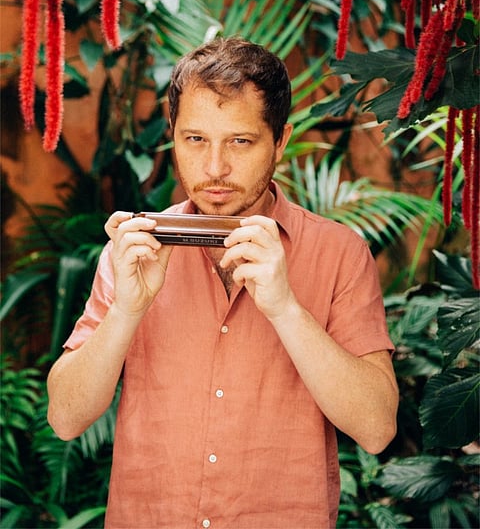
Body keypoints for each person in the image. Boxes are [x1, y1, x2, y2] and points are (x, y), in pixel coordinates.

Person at [47, 37, 398, 529]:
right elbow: (65, 418)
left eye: (240, 141)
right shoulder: (135, 251)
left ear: (280, 140)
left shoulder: (340, 253)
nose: (215, 168)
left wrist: (286, 309)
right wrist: (126, 311)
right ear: (172, 135)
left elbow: (377, 428)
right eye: (195, 139)